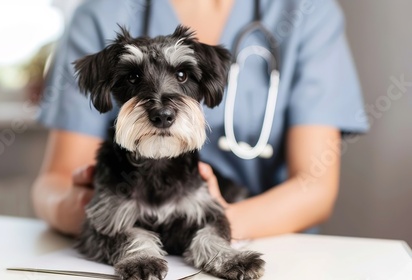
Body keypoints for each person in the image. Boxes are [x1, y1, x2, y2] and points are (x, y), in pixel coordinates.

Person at [32, 0, 368, 239]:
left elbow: (315, 188)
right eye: (134, 79)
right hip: (125, 237)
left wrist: (211, 223)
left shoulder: (308, 11)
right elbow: (55, 182)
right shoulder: (100, 13)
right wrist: (92, 213)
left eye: (181, 74)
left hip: (268, 244)